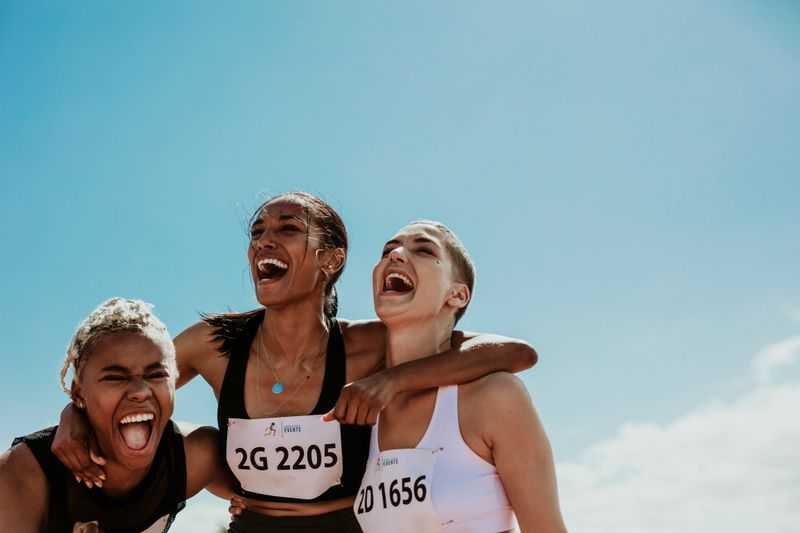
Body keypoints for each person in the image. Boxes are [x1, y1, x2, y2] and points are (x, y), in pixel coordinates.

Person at [52, 193, 537, 532]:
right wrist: (71, 414)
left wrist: (390, 381)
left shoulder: (369, 343)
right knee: (196, 441)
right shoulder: (213, 342)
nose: (264, 241)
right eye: (257, 231)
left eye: (287, 229)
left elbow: (511, 353)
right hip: (250, 529)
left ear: (331, 260)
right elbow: (132, 390)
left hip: (351, 527)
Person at [354, 221, 567, 532]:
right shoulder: (359, 408)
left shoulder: (494, 396)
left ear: (457, 295)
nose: (395, 255)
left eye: (424, 250)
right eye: (387, 250)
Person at [0, 298, 230, 533]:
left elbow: (262, 499)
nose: (140, 391)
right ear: (79, 393)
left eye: (156, 374)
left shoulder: (195, 455)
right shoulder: (20, 476)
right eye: (115, 378)